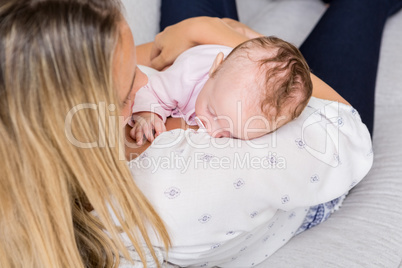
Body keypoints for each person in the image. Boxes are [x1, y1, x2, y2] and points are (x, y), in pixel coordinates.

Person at [0, 0, 397, 267]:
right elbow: (345, 129)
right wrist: (220, 36)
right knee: (361, 6)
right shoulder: (171, 195)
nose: (145, 79)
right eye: (125, 93)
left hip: (223, 75)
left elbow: (146, 55)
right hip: (307, 110)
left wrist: (216, 57)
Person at [130, 36, 313, 144]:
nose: (212, 131)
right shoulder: (186, 75)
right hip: (194, 49)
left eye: (231, 134)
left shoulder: (235, 108)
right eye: (212, 112)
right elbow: (151, 90)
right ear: (214, 69)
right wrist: (148, 114)